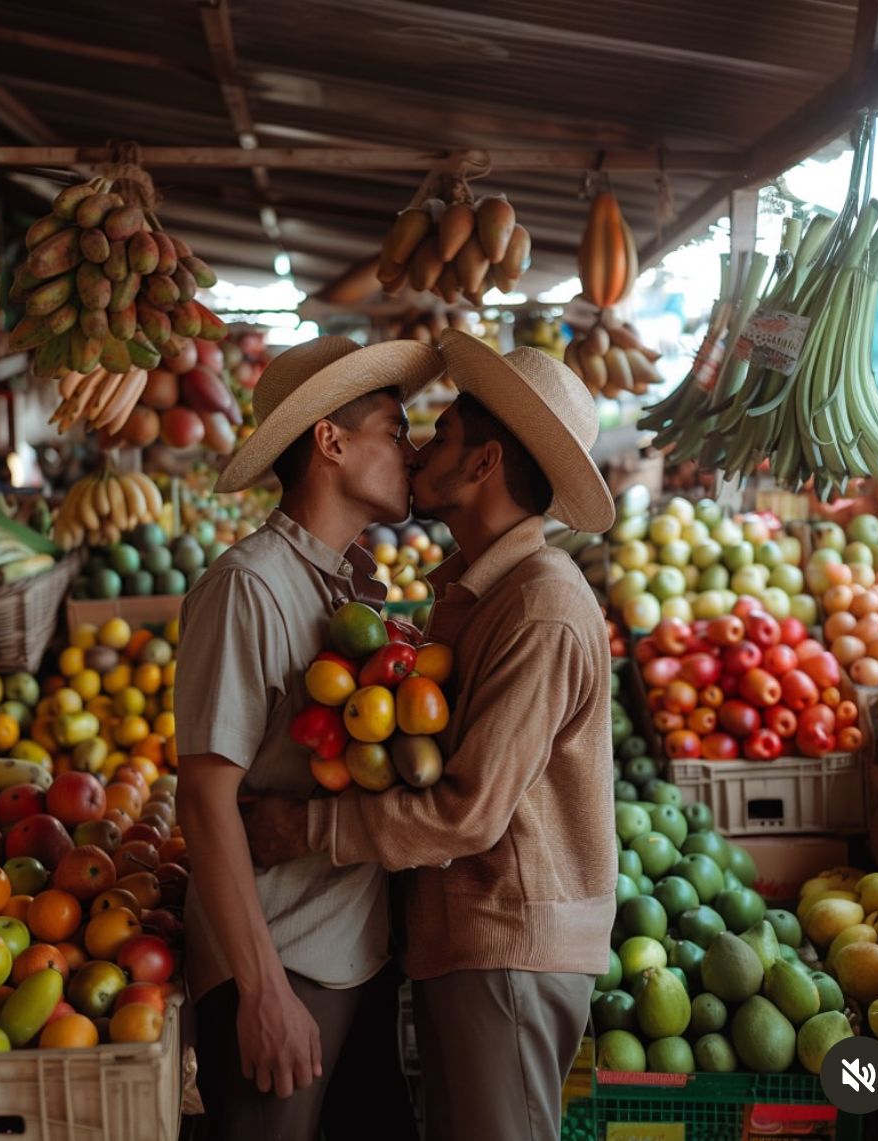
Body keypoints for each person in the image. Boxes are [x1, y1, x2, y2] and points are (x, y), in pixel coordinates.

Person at [242, 330, 619, 1141]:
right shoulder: (481, 592)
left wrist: (303, 826)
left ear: (484, 464)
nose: (416, 452)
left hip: (511, 945)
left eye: (441, 435)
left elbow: (468, 812)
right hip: (471, 940)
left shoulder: (541, 606)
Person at [174, 335, 443, 1141]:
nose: (413, 450)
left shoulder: (347, 584)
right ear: (330, 440)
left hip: (354, 952)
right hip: (284, 959)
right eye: (395, 431)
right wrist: (261, 992)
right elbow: (203, 795)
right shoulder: (249, 586)